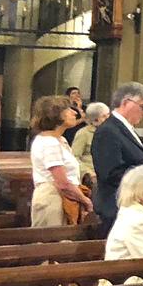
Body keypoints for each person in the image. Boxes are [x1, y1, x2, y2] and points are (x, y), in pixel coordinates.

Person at [90, 83, 143, 235]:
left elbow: (137, 160)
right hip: (118, 207)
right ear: (126, 102)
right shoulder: (108, 131)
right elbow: (111, 172)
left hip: (133, 206)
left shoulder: (125, 128)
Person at [29, 95, 93, 227]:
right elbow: (62, 183)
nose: (74, 112)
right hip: (53, 199)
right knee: (53, 238)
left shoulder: (60, 140)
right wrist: (85, 200)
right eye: (68, 109)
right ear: (55, 114)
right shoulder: (49, 142)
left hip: (64, 197)